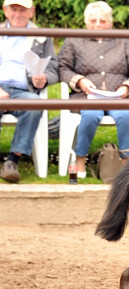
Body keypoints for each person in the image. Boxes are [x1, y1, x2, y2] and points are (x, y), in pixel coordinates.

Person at [58, 1, 129, 178]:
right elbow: (62, 68)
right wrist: (80, 80)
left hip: (118, 97)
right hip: (86, 96)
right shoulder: (73, 41)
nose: (97, 25)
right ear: (85, 22)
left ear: (111, 23)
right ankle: (80, 161)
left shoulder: (122, 41)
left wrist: (127, 86)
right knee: (91, 115)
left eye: (103, 21)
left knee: (125, 115)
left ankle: (126, 165)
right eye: (93, 21)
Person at [0, 0, 58, 183]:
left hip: (23, 91)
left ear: (31, 12)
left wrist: (44, 78)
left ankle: (12, 161)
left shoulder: (41, 36)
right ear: (5, 11)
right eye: (14, 9)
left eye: (22, 10)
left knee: (35, 104)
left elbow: (54, 68)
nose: (18, 14)